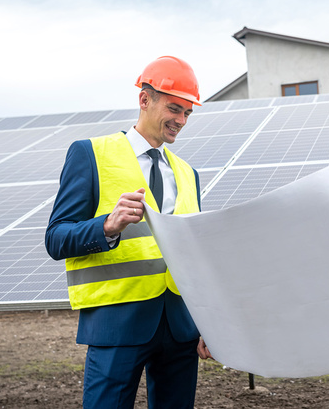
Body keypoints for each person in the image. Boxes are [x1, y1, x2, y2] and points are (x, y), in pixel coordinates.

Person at [45, 56, 212, 409]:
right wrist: (107, 225)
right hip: (115, 324)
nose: (181, 121)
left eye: (187, 113)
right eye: (174, 109)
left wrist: (207, 324)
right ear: (145, 100)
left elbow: (194, 256)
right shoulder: (90, 154)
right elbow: (56, 238)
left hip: (181, 328)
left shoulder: (188, 173)